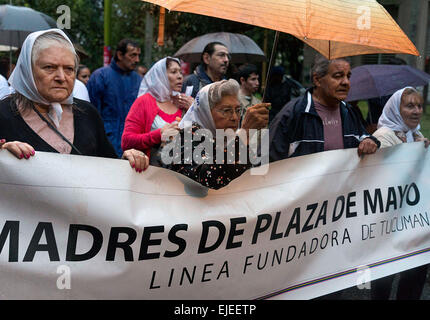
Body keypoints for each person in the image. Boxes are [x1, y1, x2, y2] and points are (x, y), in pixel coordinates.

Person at [0, 29, 148, 173]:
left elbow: (108, 166)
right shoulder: (4, 114)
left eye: (69, 69)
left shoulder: (87, 113)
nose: (61, 77)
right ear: (28, 71)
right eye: (49, 67)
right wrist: (3, 154)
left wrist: (128, 160)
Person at [370, 87, 428, 300]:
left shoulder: (416, 135)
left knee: (414, 275)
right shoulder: (383, 137)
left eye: (419, 105)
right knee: (384, 279)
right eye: (409, 105)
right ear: (395, 108)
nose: (416, 111)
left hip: (412, 222)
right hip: (388, 224)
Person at [269, 54, 380, 163]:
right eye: (338, 76)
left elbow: (364, 137)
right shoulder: (294, 112)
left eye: (348, 76)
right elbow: (265, 160)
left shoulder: (349, 111)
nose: (346, 82)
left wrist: (369, 141)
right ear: (317, 80)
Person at [162, 79, 270, 190]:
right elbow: (207, 180)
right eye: (226, 110)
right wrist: (244, 135)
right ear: (206, 111)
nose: (234, 117)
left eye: (238, 110)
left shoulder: (230, 139)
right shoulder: (187, 136)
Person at [121, 57, 193, 166]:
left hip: (181, 175)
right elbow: (127, 142)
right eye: (173, 72)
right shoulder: (144, 102)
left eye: (180, 72)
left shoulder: (185, 102)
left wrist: (193, 109)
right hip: (150, 172)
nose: (179, 76)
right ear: (161, 76)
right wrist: (160, 134)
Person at [87, 39, 142, 157]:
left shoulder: (139, 80)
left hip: (132, 146)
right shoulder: (100, 77)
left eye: (138, 55)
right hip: (105, 144)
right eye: (133, 55)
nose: (137, 60)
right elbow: (91, 114)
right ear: (120, 55)